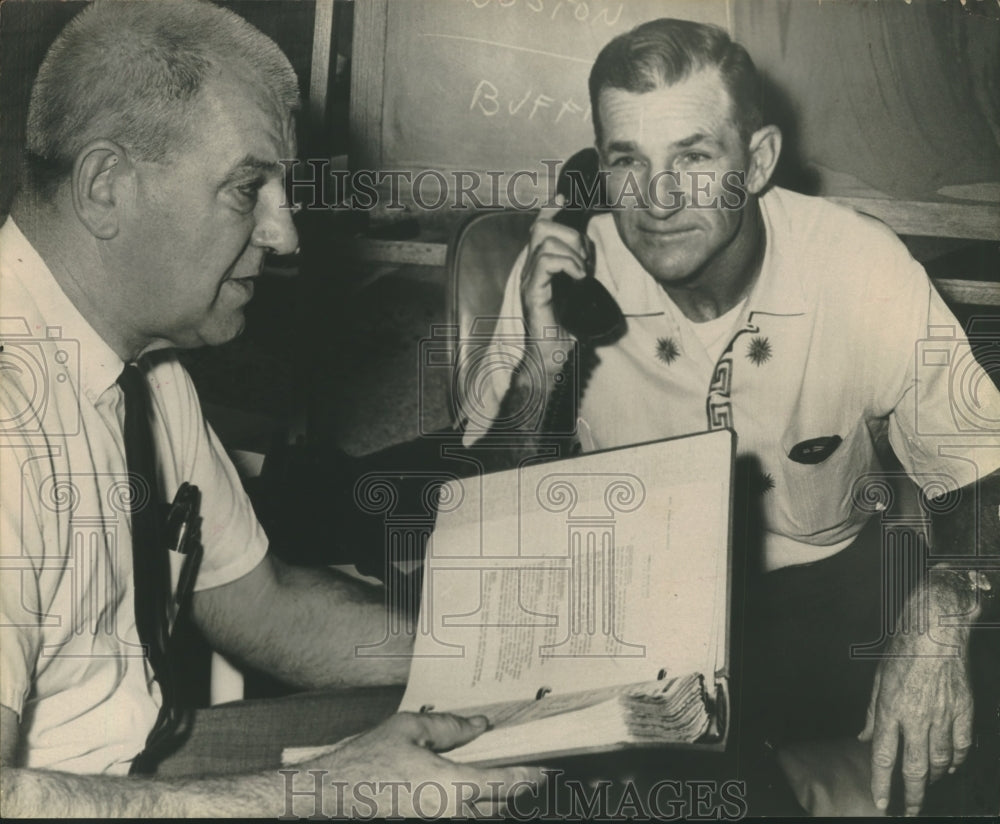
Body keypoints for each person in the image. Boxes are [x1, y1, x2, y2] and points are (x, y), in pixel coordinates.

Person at [0, 1, 540, 816]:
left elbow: (267, 604)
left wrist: (518, 657)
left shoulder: (146, 370)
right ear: (107, 187)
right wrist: (318, 793)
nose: (286, 235)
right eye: (248, 188)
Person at [464, 18, 1000, 815]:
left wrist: (943, 609)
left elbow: (983, 474)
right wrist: (544, 363)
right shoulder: (567, 272)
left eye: (693, 157)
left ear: (757, 161)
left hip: (828, 597)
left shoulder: (858, 264)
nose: (655, 200)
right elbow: (480, 527)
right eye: (627, 162)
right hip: (642, 612)